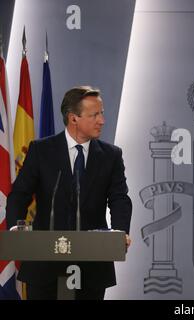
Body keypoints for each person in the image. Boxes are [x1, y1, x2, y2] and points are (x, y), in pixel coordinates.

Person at [6, 86, 132, 300]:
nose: (102, 120)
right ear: (73, 118)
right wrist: (16, 226)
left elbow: (119, 198)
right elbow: (19, 194)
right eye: (94, 115)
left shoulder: (111, 155)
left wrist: (120, 232)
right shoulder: (41, 150)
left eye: (102, 113)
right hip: (44, 263)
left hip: (92, 264)